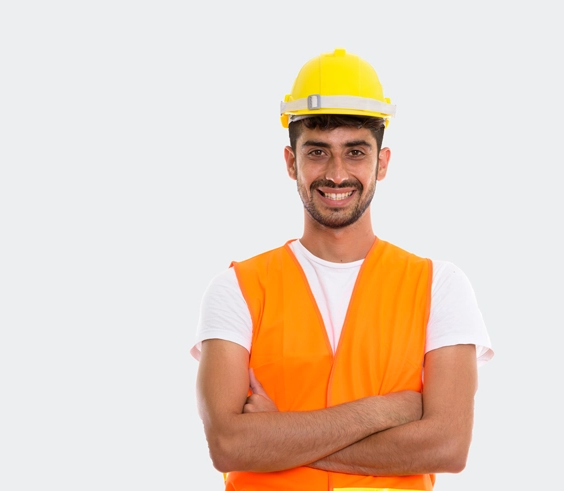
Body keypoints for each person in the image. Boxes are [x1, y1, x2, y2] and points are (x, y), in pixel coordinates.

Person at [191, 47, 494, 491]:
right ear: (291, 162)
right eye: (317, 152)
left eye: (355, 152)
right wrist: (385, 412)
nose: (336, 174)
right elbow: (229, 445)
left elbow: (447, 446)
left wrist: (277, 438)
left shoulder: (439, 286)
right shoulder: (237, 288)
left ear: (381, 163)